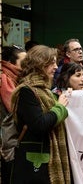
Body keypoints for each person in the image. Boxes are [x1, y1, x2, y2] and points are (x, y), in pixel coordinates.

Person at [10, 45, 71, 183]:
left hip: (43, 159)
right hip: (35, 163)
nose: (56, 67)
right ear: (38, 64)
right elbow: (39, 124)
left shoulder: (45, 91)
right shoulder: (26, 91)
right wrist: (60, 107)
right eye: (51, 63)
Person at [0, 46, 26, 184]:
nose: (27, 67)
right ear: (11, 63)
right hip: (8, 147)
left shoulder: (15, 79)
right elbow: (16, 110)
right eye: (24, 63)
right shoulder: (4, 80)